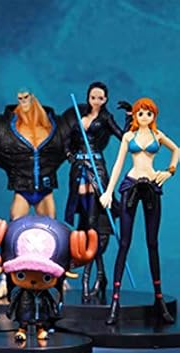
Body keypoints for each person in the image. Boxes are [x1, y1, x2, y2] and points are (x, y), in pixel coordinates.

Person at [100, 97, 179, 325]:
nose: (144, 117)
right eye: (140, 113)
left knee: (152, 243)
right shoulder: (128, 136)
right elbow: (118, 164)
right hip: (131, 186)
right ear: (135, 115)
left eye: (148, 113)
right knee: (124, 243)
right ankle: (115, 302)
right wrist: (108, 191)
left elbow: (177, 150)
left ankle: (159, 299)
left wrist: (170, 171)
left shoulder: (158, 135)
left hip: (152, 186)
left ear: (154, 115)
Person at [0, 89, 68, 299]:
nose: (23, 102)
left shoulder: (53, 125)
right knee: (12, 233)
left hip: (45, 188)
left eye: (26, 98)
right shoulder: (9, 126)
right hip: (22, 187)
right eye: (20, 98)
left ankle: (58, 276)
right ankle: (6, 280)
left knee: (54, 233)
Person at [63, 81, 129, 302]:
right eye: (93, 97)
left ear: (105, 99)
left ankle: (88, 279)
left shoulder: (106, 118)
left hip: (96, 169)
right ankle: (100, 276)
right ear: (88, 97)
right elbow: (68, 142)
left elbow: (123, 137)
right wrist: (71, 156)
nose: (97, 101)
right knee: (85, 222)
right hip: (79, 171)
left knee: (93, 224)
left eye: (101, 98)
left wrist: (130, 118)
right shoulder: (80, 116)